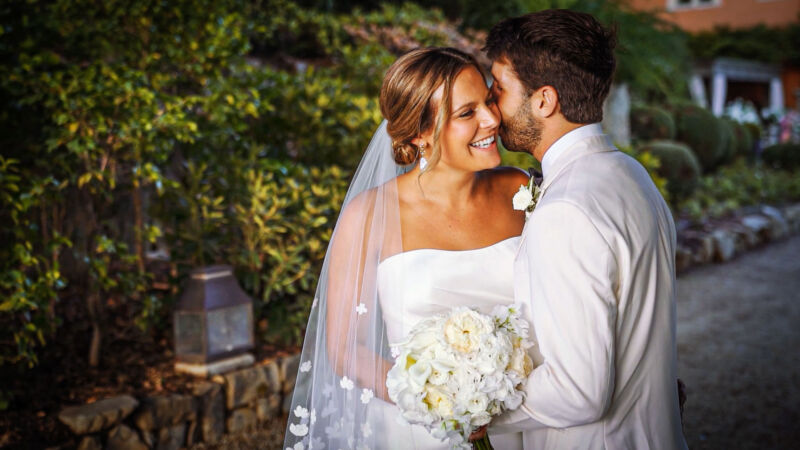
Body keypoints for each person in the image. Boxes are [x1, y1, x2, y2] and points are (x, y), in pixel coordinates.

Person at [284, 47, 531, 449]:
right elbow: (346, 350)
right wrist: (443, 407)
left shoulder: (520, 190)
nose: (491, 119)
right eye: (467, 113)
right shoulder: (370, 215)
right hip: (421, 431)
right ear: (420, 133)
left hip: (528, 423)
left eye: (488, 100)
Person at [482, 10, 688, 449]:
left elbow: (578, 393)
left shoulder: (566, 210)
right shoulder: (631, 174)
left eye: (498, 88)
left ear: (543, 100)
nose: (490, 104)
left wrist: (472, 406)